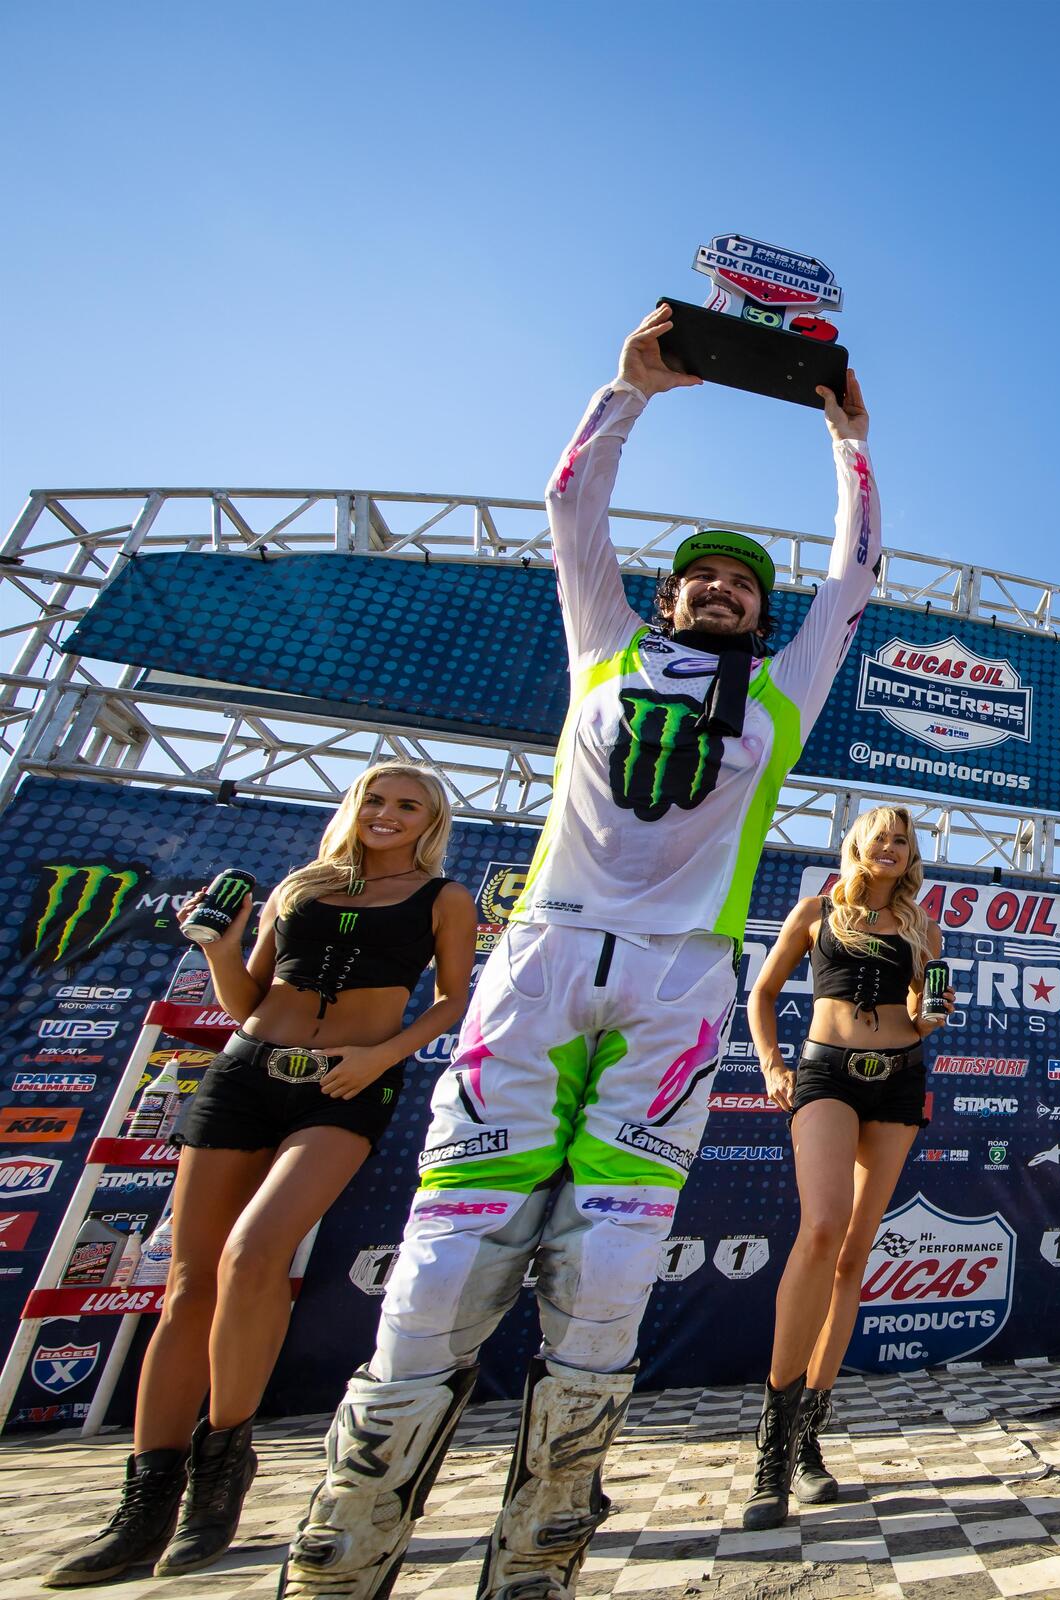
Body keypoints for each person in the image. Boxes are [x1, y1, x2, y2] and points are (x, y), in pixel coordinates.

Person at [281, 307, 883, 1600]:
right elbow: (570, 513)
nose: (722, 586)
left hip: (678, 984)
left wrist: (849, 446)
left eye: (742, 585)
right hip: (544, 961)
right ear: (664, 599)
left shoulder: (782, 693)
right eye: (699, 578)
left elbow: (853, 586)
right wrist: (629, 393)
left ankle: (539, 1558)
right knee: (442, 1270)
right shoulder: (603, 647)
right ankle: (340, 1562)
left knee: (608, 1278)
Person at [45, 767, 472, 1588]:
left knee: (254, 1256)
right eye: (374, 800)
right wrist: (220, 947)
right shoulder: (300, 884)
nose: (386, 814)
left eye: (406, 805)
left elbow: (452, 1001)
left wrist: (381, 1054)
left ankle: (222, 1462)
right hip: (243, 1075)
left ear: (430, 821)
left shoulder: (444, 896)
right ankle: (144, 1504)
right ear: (353, 809)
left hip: (348, 1086)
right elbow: (246, 1004)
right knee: (187, 1283)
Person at [742, 806, 953, 1526]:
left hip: (899, 1079)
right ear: (857, 845)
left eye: (904, 841)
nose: (892, 848)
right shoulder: (814, 911)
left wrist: (932, 1013)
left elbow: (925, 1013)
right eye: (881, 837)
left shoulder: (925, 928)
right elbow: (764, 993)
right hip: (825, 1074)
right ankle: (772, 1441)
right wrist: (771, 1063)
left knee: (854, 1256)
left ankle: (808, 1440)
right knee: (823, 1228)